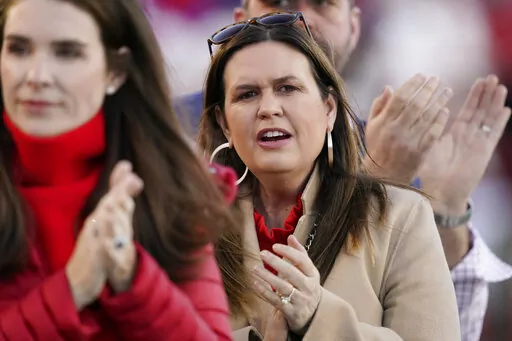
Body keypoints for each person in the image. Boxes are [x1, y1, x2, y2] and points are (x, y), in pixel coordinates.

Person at [180, 1, 512, 340]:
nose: (268, 108)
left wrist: (445, 211)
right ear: (223, 122)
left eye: (288, 88)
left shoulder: (408, 187)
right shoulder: (183, 193)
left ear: (329, 109)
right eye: (248, 94)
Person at [0, 0, 236, 339]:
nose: (36, 76)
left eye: (67, 53)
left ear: (116, 70)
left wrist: (133, 277)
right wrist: (72, 290)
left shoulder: (168, 191)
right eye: (18, 49)